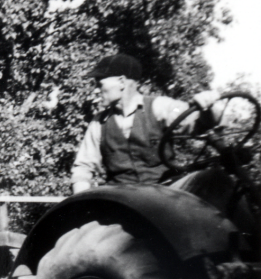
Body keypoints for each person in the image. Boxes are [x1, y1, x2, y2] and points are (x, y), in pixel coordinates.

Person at [71, 53, 222, 194]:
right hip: (123, 199)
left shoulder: (159, 107)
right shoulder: (98, 123)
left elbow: (199, 123)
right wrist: (80, 200)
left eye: (99, 84)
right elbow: (83, 168)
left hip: (167, 193)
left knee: (213, 179)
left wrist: (207, 108)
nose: (95, 90)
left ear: (122, 82)